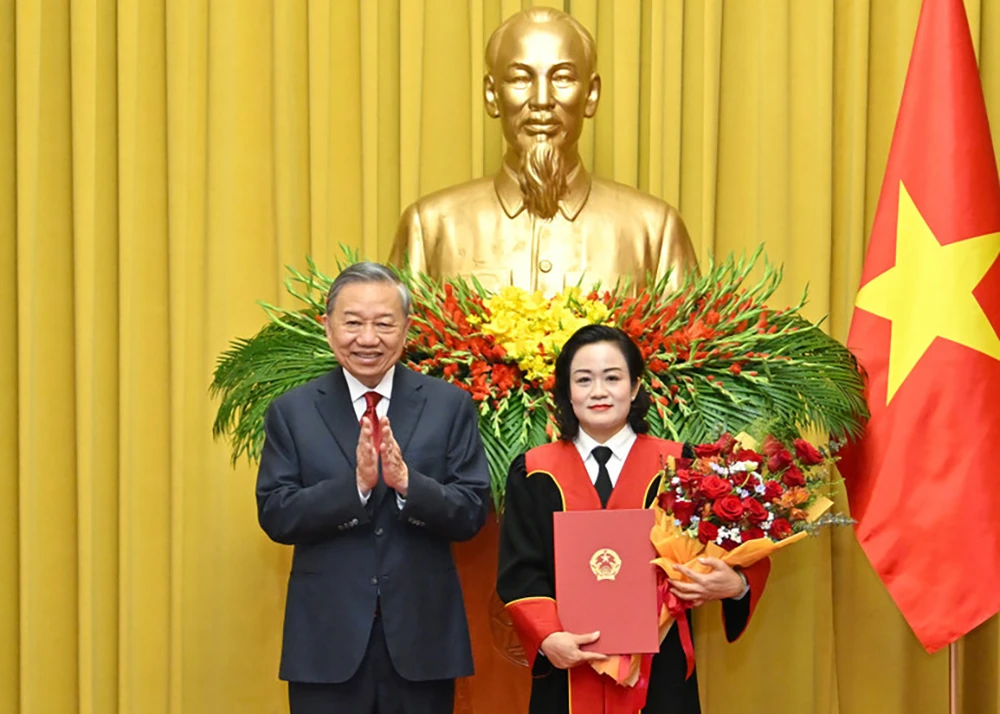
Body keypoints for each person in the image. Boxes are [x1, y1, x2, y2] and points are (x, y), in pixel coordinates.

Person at [256, 261, 491, 714]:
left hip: (423, 641)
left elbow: (471, 511)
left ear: (406, 330)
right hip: (326, 643)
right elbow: (277, 513)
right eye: (353, 323)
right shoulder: (292, 412)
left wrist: (407, 484)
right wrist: (356, 488)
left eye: (384, 324)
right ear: (327, 328)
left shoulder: (449, 405)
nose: (368, 339)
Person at [496, 325, 770, 714]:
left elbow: (736, 547)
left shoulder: (681, 465)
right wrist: (548, 637)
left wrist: (736, 584)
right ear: (566, 391)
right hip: (570, 664)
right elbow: (520, 570)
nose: (599, 391)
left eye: (613, 378)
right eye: (583, 379)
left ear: (636, 386)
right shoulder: (534, 471)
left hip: (661, 666)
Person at [389, 7, 699, 296]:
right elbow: (395, 347)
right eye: (520, 78)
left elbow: (693, 350)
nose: (541, 99)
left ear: (591, 95)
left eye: (562, 77)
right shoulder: (429, 227)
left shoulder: (655, 231)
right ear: (492, 95)